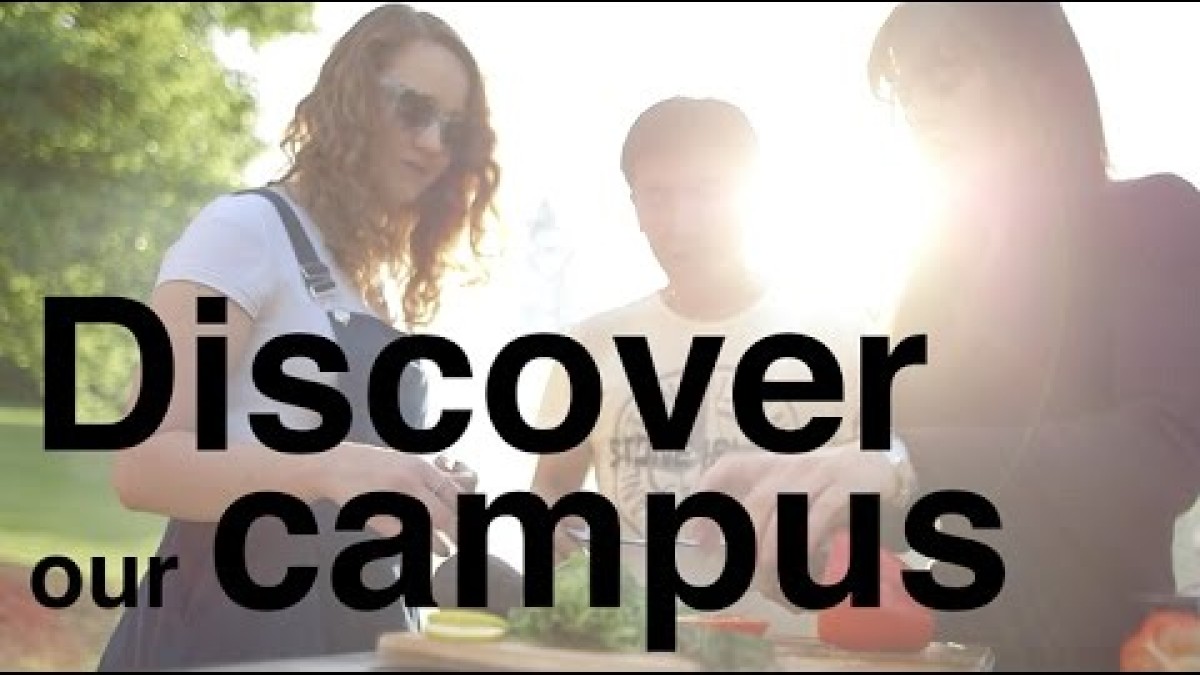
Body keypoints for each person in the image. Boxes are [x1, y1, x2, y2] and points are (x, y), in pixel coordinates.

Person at [693, 2, 1200, 670]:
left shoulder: (1152, 215)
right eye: (904, 94)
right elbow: (911, 504)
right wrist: (801, 511)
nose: (919, 113)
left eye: (945, 78)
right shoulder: (927, 278)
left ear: (1032, 76)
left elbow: (1160, 451)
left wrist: (901, 464)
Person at [97, 4, 501, 670]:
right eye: (413, 109)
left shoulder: (379, 282)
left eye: (452, 127)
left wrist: (418, 482)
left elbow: (352, 481)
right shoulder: (244, 231)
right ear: (351, 101)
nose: (433, 142)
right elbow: (141, 466)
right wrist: (328, 463)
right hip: (226, 636)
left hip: (360, 627)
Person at [529, 96, 875, 632]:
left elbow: (881, 504)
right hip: (634, 654)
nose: (681, 223)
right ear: (634, 207)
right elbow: (551, 487)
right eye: (657, 196)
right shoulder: (593, 345)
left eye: (706, 193)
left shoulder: (841, 341)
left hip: (798, 653)